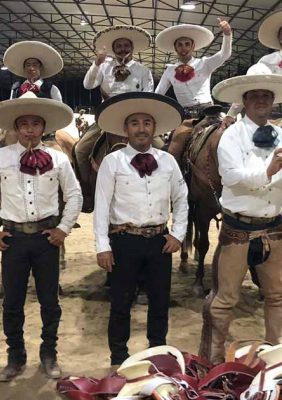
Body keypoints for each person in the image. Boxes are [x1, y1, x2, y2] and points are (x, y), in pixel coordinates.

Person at [199, 63, 282, 364]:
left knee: (278, 294)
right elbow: (231, 176)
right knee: (224, 300)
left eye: (266, 95)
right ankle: (211, 363)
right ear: (245, 101)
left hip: (273, 226)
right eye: (255, 96)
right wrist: (269, 169)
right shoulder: (231, 136)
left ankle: (277, 358)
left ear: (273, 101)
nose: (261, 100)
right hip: (238, 227)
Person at [0, 92, 82, 381]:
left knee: (50, 301)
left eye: (35, 123)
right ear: (16, 127)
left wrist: (63, 227)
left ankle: (49, 354)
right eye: (24, 123)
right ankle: (16, 356)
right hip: (14, 239)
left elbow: (74, 194)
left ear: (43, 126)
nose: (29, 129)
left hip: (47, 239)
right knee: (12, 302)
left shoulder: (59, 159)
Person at [92, 92, 188, 368]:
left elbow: (181, 198)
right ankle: (118, 357)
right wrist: (103, 245)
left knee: (160, 301)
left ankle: (157, 351)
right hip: (125, 240)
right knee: (121, 302)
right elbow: (102, 204)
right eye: (135, 123)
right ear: (126, 129)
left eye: (147, 122)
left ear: (154, 129)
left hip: (159, 240)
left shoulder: (168, 161)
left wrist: (177, 234)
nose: (141, 128)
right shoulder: (113, 162)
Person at [75, 25, 155, 212]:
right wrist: (96, 63)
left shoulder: (143, 70)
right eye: (118, 46)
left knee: (160, 147)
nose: (122, 49)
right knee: (80, 149)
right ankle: (87, 194)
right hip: (107, 116)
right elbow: (88, 84)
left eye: (126, 45)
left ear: (132, 48)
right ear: (113, 48)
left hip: (135, 118)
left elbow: (149, 94)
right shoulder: (103, 66)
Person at [154, 18, 232, 118]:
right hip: (184, 114)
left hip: (208, 110)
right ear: (175, 48)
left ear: (193, 46)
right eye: (180, 45)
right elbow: (159, 93)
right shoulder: (169, 71)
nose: (184, 48)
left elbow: (224, 54)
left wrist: (227, 34)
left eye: (187, 44)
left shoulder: (205, 63)